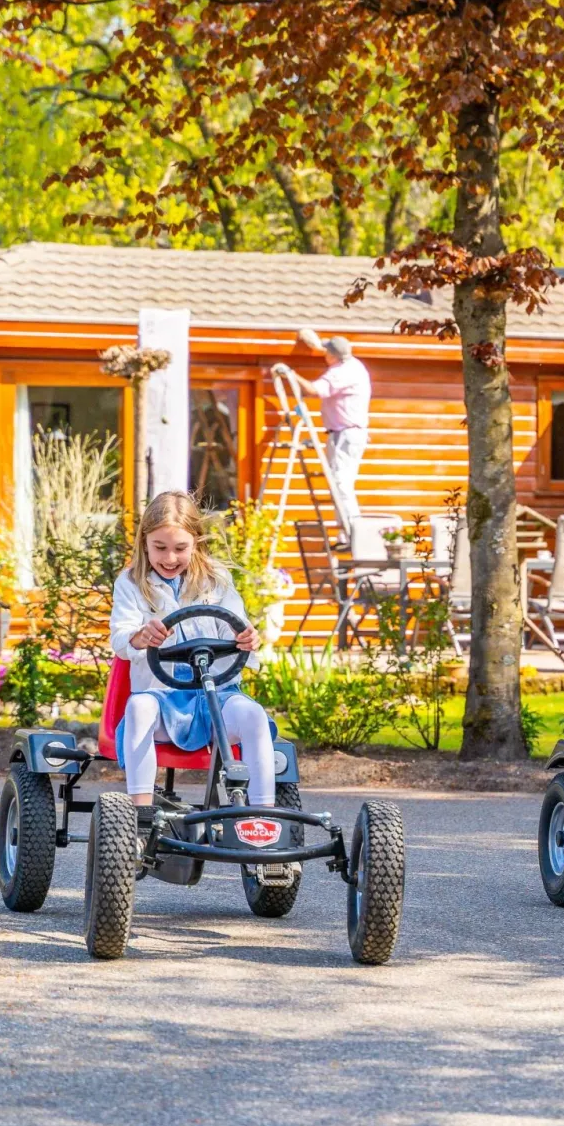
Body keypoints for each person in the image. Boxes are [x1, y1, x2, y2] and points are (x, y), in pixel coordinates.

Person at [109, 491, 275, 814]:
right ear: (144, 542)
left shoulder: (216, 580)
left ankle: (263, 818)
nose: (169, 558)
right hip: (162, 697)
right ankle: (140, 817)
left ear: (195, 543)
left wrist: (246, 637)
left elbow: (235, 625)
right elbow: (120, 638)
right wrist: (141, 636)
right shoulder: (130, 583)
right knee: (139, 708)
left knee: (254, 715)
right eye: (160, 548)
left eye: (180, 548)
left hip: (217, 695)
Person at [280, 335, 371, 524]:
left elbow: (313, 390)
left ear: (333, 355)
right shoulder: (354, 366)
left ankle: (353, 531)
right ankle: (346, 534)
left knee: (341, 483)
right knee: (340, 484)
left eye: (327, 351)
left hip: (345, 434)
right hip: (346, 433)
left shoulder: (342, 372)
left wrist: (290, 374)